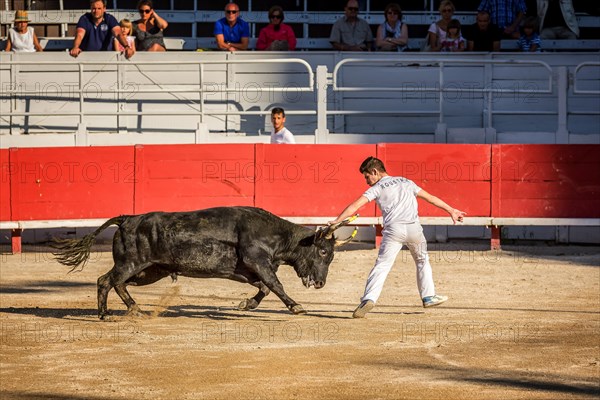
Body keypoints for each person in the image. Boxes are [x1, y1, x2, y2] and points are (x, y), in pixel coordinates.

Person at [328, 157, 466, 318]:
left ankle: (369, 298)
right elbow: (430, 198)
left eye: (367, 177)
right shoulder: (407, 182)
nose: (367, 181)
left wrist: (337, 220)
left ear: (375, 172)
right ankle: (428, 296)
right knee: (422, 260)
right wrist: (451, 210)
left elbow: (355, 205)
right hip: (414, 229)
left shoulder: (377, 188)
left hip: (394, 230)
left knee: (382, 265)